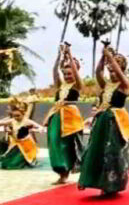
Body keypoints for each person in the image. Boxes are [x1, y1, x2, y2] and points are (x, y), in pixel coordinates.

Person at [78, 44, 129, 196]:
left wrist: (111, 57)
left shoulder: (124, 85)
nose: (112, 71)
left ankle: (112, 185)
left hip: (115, 123)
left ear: (122, 69)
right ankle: (100, 182)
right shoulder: (106, 84)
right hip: (102, 121)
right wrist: (103, 57)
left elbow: (119, 73)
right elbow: (98, 72)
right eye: (110, 69)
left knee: (112, 152)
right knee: (97, 150)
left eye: (115, 68)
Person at [43, 43, 85, 184]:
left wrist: (70, 54)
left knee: (67, 145)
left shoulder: (77, 85)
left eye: (70, 73)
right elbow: (55, 71)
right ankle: (61, 172)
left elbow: (75, 72)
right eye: (65, 73)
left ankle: (66, 172)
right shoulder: (61, 86)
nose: (67, 76)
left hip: (70, 117)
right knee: (54, 143)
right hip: (56, 115)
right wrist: (59, 56)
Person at [0, 98, 42, 169]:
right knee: (5, 164)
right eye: (14, 116)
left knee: (14, 164)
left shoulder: (27, 121)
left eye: (18, 115)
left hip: (26, 146)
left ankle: (28, 160)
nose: (16, 117)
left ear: (23, 114)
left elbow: (40, 127)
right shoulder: (12, 120)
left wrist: (37, 129)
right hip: (16, 144)